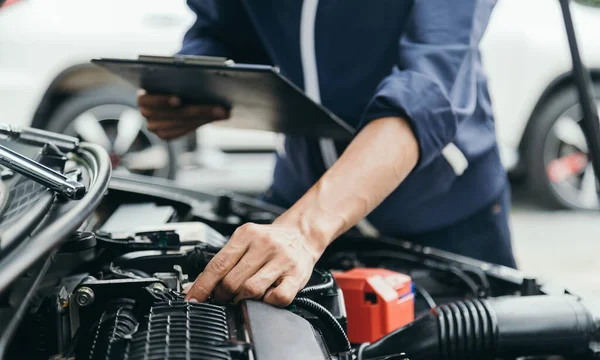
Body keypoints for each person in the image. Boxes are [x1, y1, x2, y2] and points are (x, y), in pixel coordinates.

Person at [138, 0, 517, 307]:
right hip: (298, 193)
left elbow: (431, 82)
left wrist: (303, 229)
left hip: (443, 214)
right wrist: (189, 84)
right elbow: (221, 26)